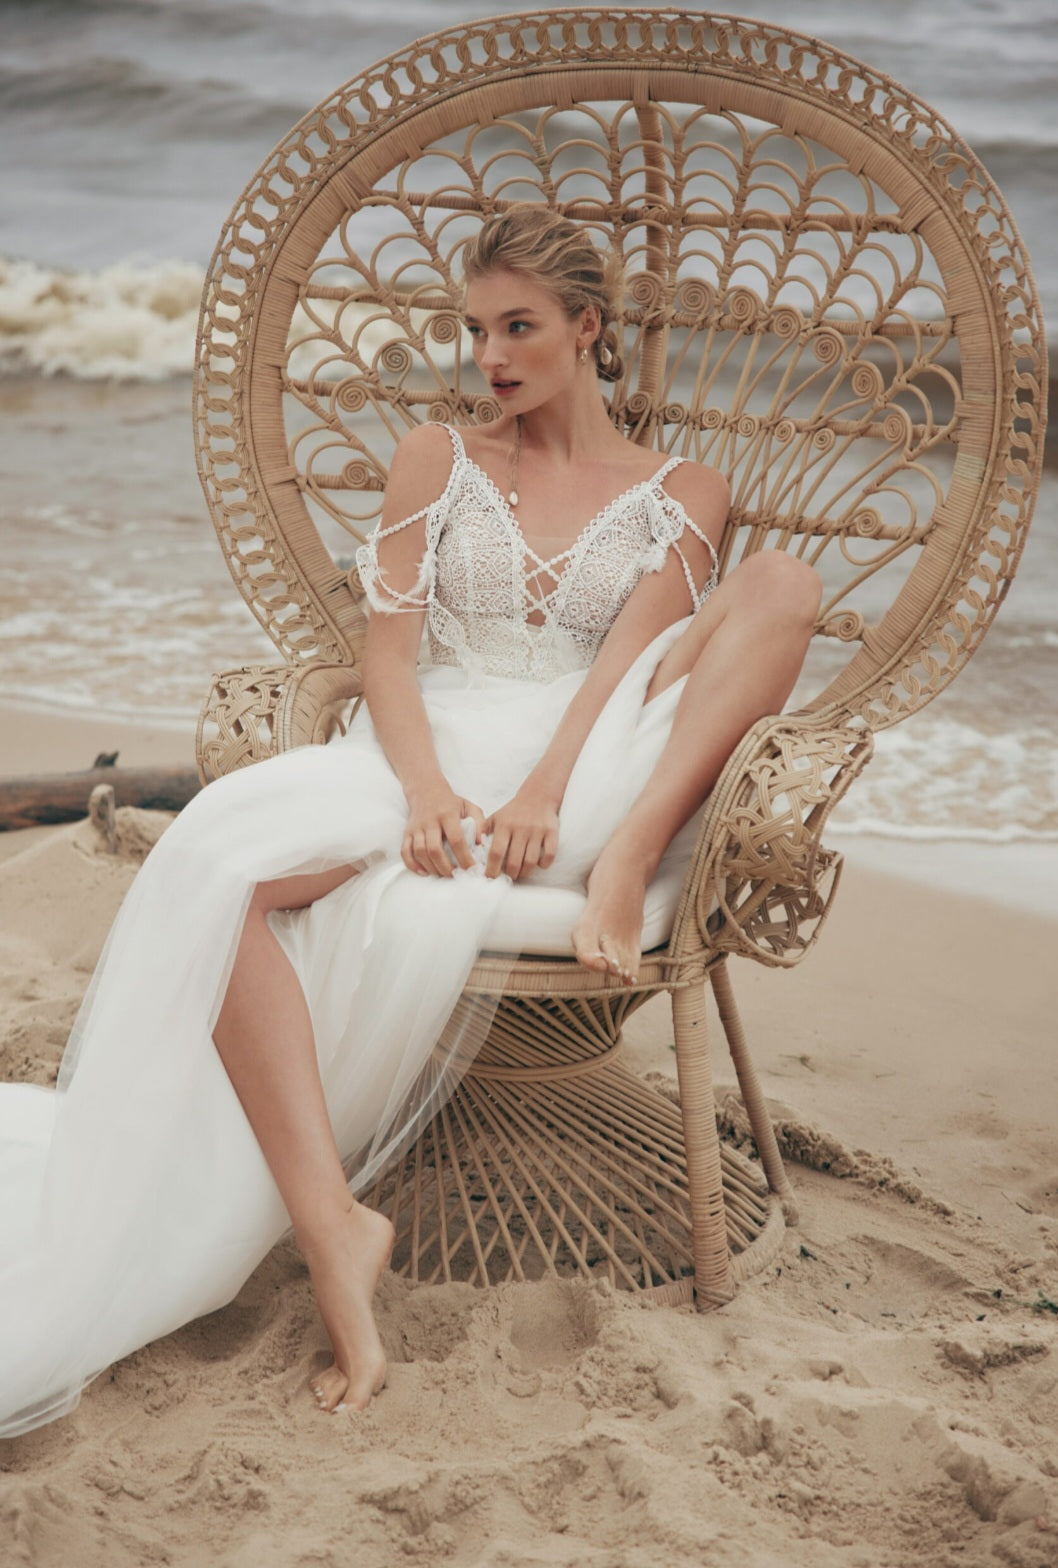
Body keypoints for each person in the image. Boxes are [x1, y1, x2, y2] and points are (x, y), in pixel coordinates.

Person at [0, 205, 820, 1437]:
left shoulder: (681, 487)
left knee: (786, 584)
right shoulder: (435, 457)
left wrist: (554, 791)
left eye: (518, 326)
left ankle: (631, 855)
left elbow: (630, 665)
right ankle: (336, 1228)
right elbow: (385, 657)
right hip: (421, 745)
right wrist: (426, 789)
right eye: (475, 328)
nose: (489, 354)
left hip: (590, 763)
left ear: (585, 328)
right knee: (219, 864)